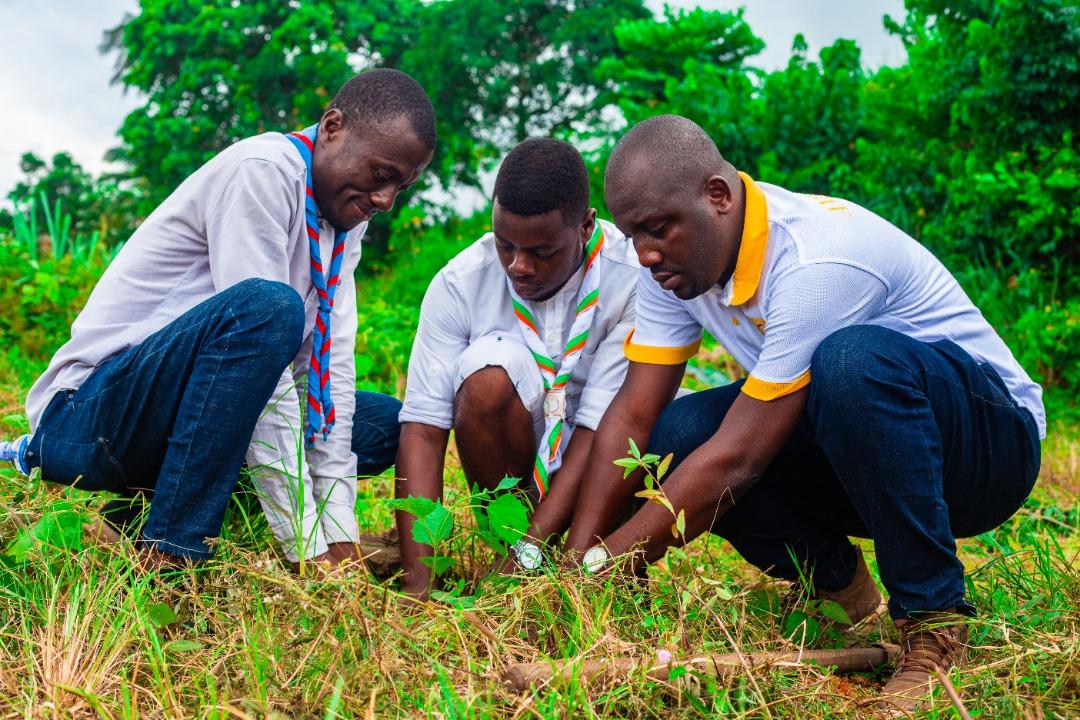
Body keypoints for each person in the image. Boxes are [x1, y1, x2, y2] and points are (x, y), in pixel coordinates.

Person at [562, 115, 1044, 713]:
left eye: (657, 230)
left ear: (718, 196)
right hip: (867, 458)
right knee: (678, 434)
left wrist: (613, 559)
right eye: (633, 235)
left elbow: (739, 458)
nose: (646, 253)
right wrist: (578, 561)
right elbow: (634, 414)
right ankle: (841, 587)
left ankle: (935, 623)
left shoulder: (818, 260)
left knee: (850, 363)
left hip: (988, 450)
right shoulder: (670, 270)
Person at [4, 68, 434, 571]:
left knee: (382, 422)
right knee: (269, 311)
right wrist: (307, 544)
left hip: (176, 417)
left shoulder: (343, 218)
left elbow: (329, 366)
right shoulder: (263, 172)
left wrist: (339, 528)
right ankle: (171, 551)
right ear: (333, 126)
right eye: (380, 175)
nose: (385, 200)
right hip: (90, 416)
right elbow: (267, 368)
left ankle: (139, 510)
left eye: (400, 186)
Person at [395, 138, 640, 599]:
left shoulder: (630, 277)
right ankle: (511, 553)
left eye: (542, 251)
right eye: (506, 245)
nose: (519, 266)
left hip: (603, 454)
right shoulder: (461, 282)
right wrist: (419, 585)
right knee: (487, 378)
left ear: (586, 225)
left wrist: (532, 556)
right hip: (517, 460)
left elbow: (599, 431)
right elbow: (423, 430)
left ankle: (586, 564)